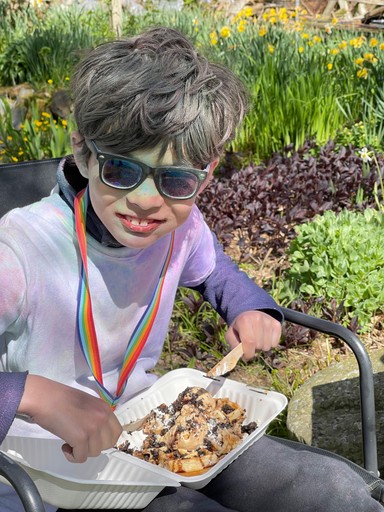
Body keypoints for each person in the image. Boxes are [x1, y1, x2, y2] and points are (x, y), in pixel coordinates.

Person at [0, 27, 381, 512]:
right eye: (120, 170)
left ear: (209, 172)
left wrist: (246, 305)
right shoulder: (19, 251)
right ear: (83, 153)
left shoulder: (181, 227)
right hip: (48, 472)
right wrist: (32, 393)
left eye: (176, 179)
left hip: (154, 432)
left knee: (333, 494)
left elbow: (213, 270)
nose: (145, 201)